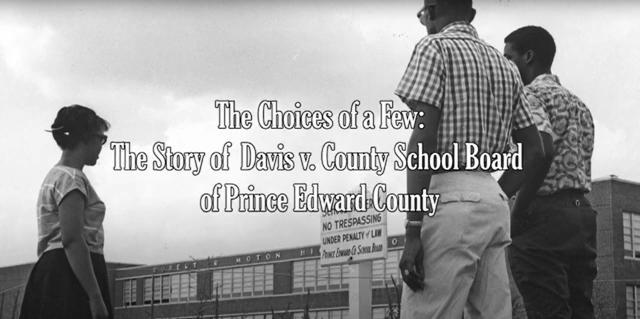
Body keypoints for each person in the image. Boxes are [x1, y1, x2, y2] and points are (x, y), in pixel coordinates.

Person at [394, 0, 546, 318]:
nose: (424, 22)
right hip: (492, 201)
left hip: (449, 198)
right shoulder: (504, 65)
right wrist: (496, 193)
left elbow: (423, 140)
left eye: (423, 15)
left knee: (429, 311)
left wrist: (412, 230)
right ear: (471, 15)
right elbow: (534, 150)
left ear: (432, 12)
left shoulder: (433, 48)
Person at [504, 26, 597, 319]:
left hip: (541, 218)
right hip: (582, 217)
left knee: (547, 310)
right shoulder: (579, 104)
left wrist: (515, 211)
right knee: (581, 310)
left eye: (510, 58)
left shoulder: (527, 96)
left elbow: (537, 154)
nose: (506, 65)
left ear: (528, 57)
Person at [20, 105, 112, 319]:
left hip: (55, 271)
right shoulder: (71, 178)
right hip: (71, 274)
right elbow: (72, 239)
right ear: (85, 137)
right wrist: (95, 297)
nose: (101, 146)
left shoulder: (55, 176)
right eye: (101, 139)